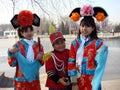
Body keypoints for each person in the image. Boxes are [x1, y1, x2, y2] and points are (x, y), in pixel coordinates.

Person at [68, 5, 108, 90]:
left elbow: (100, 64)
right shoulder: (75, 43)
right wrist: (74, 82)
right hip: (78, 80)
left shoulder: (98, 43)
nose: (84, 28)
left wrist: (102, 52)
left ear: (93, 28)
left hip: (93, 80)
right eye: (82, 26)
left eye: (87, 26)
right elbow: (71, 62)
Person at [7, 10, 44, 90]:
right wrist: (10, 52)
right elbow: (12, 64)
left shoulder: (38, 45)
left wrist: (41, 59)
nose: (29, 33)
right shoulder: (17, 45)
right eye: (26, 31)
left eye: (31, 30)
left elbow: (41, 63)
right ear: (21, 33)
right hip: (21, 81)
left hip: (34, 80)